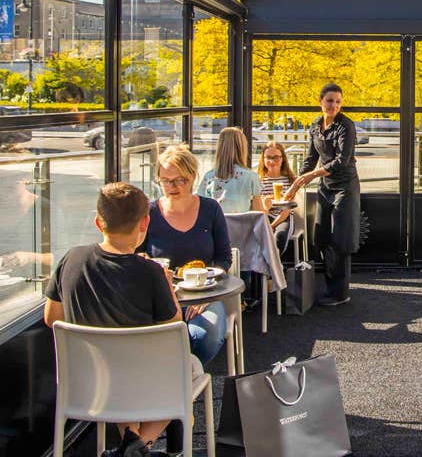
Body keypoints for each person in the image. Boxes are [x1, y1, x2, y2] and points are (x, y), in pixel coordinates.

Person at [43, 182, 183, 457]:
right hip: (141, 384)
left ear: (98, 222)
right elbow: (173, 330)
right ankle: (143, 444)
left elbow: (52, 318)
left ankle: (131, 443)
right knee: (190, 368)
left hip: (86, 383)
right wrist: (168, 289)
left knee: (120, 368)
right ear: (145, 223)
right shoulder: (150, 273)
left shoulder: (71, 259)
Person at [139, 145, 232, 366]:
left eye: (179, 180)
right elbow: (137, 253)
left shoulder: (211, 209)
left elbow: (224, 258)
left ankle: (181, 382)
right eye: (165, 180)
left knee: (201, 338)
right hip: (159, 294)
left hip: (204, 294)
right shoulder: (149, 213)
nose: (171, 186)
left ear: (193, 177)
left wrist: (206, 294)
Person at [286, 83, 359, 306]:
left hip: (345, 187)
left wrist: (312, 175)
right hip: (326, 187)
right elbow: (310, 158)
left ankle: (340, 293)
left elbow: (341, 161)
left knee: (340, 239)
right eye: (329, 101)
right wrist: (296, 181)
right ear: (320, 101)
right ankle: (329, 287)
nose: (334, 105)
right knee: (322, 236)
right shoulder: (316, 125)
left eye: (338, 101)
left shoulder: (346, 126)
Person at [197, 127, 265, 214]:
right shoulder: (251, 176)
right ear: (242, 148)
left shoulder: (209, 176)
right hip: (241, 226)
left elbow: (201, 208)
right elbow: (258, 215)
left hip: (215, 227)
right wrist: (267, 207)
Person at [257, 141, 296, 252]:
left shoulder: (289, 180)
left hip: (284, 218)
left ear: (282, 158)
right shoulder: (259, 180)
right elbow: (258, 208)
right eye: (268, 157)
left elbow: (287, 211)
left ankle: (276, 266)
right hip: (265, 216)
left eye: (276, 157)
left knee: (280, 236)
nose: (272, 161)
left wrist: (273, 225)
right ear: (263, 159)